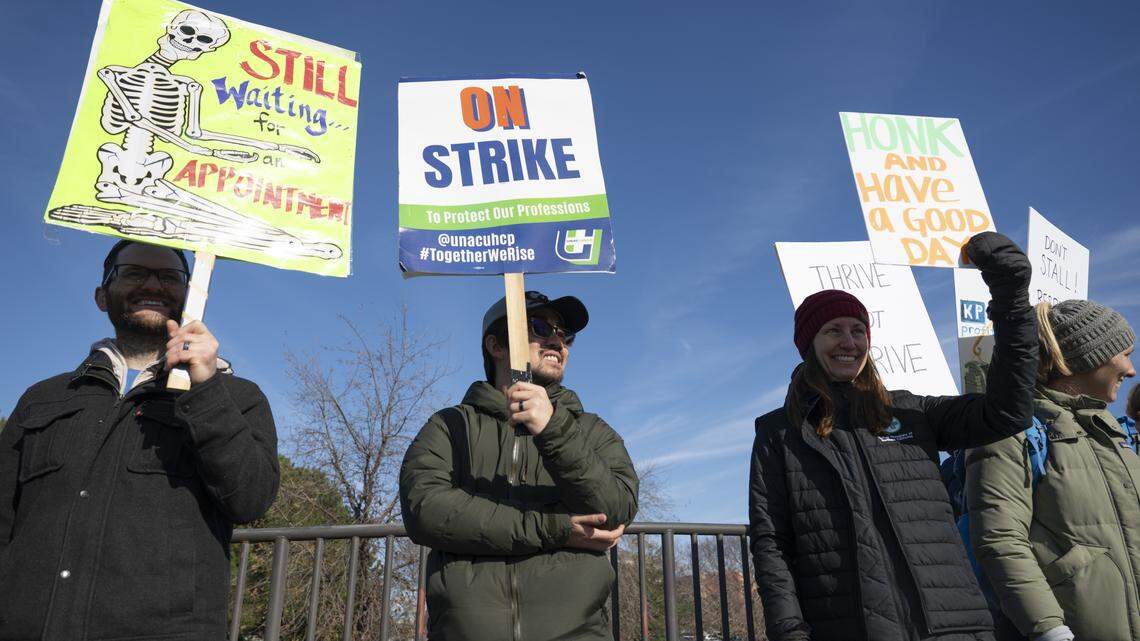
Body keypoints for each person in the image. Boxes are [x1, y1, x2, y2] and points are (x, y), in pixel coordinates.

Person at [748, 231, 1039, 641]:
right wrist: (790, 631)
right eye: (833, 330)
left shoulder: (912, 411)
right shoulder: (778, 434)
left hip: (955, 626)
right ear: (809, 343)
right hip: (847, 628)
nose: (849, 342)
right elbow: (771, 542)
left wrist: (1011, 300)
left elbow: (1008, 411)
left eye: (858, 330)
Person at [0, 240, 279, 640]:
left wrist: (205, 388)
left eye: (170, 277)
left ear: (190, 295)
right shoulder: (42, 397)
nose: (153, 285)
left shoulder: (236, 397)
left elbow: (250, 497)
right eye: (134, 273)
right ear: (101, 296)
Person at [400, 290, 638, 641]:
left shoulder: (591, 430)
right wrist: (554, 528)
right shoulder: (450, 426)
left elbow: (614, 510)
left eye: (565, 334)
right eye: (540, 327)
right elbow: (426, 510)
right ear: (497, 346)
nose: (558, 340)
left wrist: (553, 428)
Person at [966, 300, 1137, 641]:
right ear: (1086, 359)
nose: (1131, 369)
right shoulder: (1011, 431)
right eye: (1123, 353)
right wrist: (1049, 630)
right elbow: (1000, 540)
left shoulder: (1117, 433)